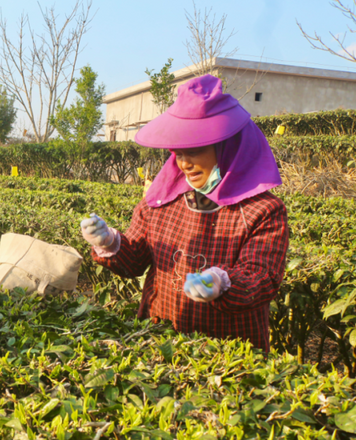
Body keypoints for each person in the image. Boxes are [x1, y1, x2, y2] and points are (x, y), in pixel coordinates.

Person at [81, 74, 288, 352]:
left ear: (227, 147)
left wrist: (222, 283)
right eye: (178, 153)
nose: (184, 164)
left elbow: (262, 277)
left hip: (228, 353)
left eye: (195, 151)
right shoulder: (162, 200)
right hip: (161, 342)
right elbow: (135, 262)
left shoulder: (261, 210)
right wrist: (109, 242)